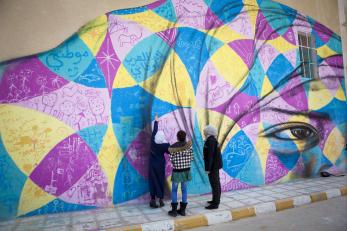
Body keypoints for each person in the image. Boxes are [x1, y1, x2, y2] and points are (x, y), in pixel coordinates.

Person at [167, 130, 194, 217]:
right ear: (185, 137)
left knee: (174, 190)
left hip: (177, 172)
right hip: (186, 171)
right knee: (184, 190)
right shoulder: (189, 146)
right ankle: (182, 211)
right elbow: (191, 158)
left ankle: (174, 211)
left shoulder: (173, 147)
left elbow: (171, 160)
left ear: (177, 137)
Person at [148, 114, 170, 208]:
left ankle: (153, 200)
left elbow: (154, 131)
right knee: (160, 180)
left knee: (153, 181)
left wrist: (156, 121)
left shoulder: (153, 142)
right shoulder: (164, 145)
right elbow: (170, 152)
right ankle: (161, 200)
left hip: (152, 165)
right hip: (160, 165)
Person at [203, 125, 223, 210]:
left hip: (213, 166)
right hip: (214, 165)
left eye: (205, 131)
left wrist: (208, 168)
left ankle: (215, 203)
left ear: (209, 132)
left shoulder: (210, 141)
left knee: (215, 184)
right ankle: (214, 200)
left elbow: (210, 155)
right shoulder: (212, 140)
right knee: (214, 184)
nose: (204, 132)